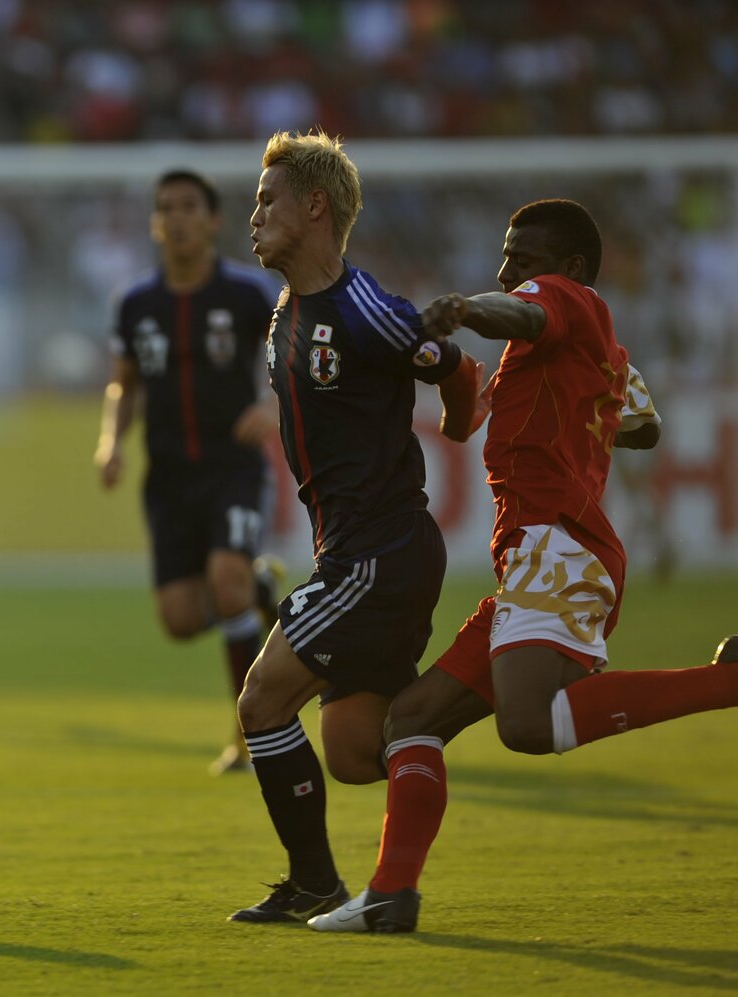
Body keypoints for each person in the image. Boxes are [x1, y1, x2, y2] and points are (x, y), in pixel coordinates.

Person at [309, 198, 738, 935]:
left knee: (528, 722)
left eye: (524, 259)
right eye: (506, 257)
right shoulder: (594, 350)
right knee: (411, 720)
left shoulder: (566, 301)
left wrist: (467, 309)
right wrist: (582, 408)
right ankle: (390, 894)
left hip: (559, 547)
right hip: (535, 559)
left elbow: (519, 311)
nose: (508, 270)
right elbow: (646, 426)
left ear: (570, 269)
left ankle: (734, 680)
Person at [226, 130, 486, 924]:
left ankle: (314, 883)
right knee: (355, 749)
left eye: (267, 200)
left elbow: (459, 369)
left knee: (262, 700)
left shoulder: (363, 309)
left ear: (315, 207)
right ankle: (477, 692)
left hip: (380, 553)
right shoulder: (286, 312)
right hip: (356, 551)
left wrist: (458, 419)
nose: (254, 215)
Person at [94, 168, 285, 777]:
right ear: (155, 224)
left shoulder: (250, 292)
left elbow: (296, 352)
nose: (175, 218)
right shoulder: (135, 303)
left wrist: (271, 403)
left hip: (234, 468)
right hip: (169, 480)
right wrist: (111, 442)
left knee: (224, 582)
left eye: (187, 207)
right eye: (165, 208)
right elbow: (123, 384)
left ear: (212, 220)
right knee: (179, 620)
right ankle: (257, 590)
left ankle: (253, 734)